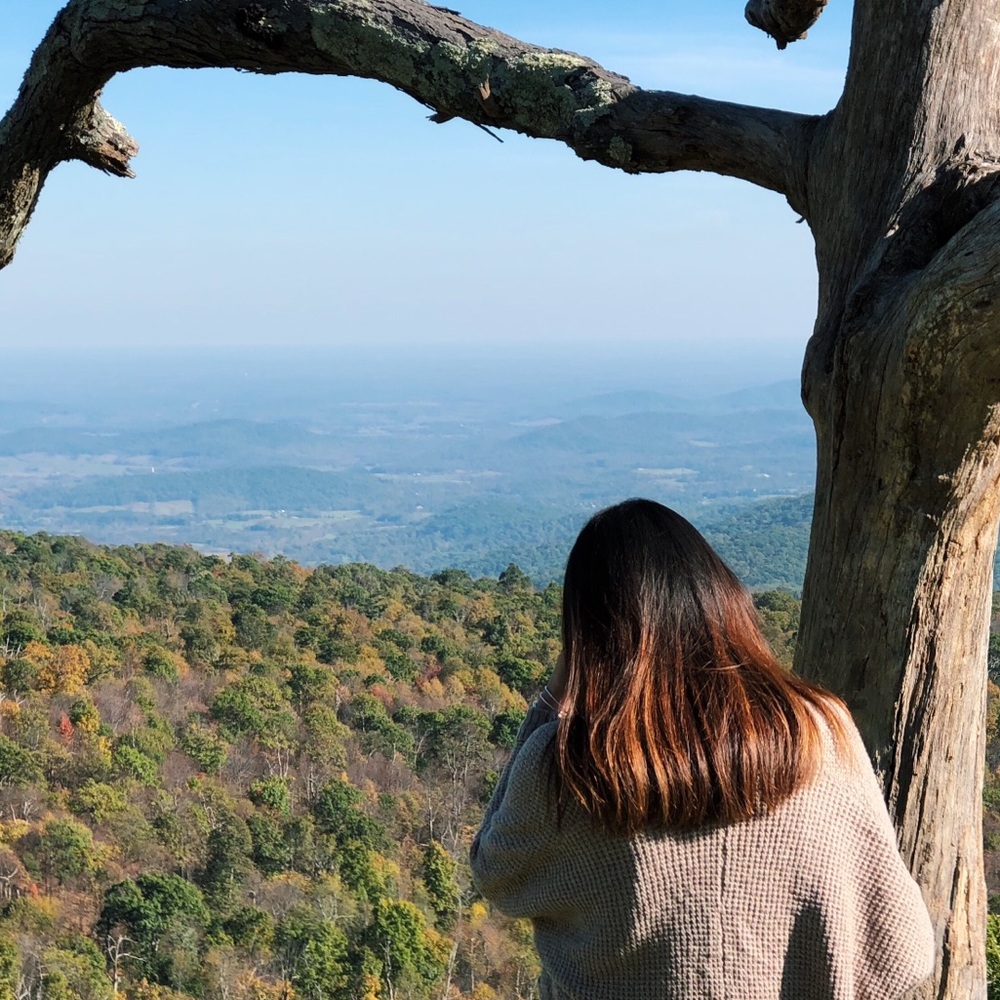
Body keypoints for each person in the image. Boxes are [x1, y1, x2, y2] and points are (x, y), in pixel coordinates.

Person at [470, 499, 935, 1000]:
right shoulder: (821, 730)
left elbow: (495, 872)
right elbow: (903, 948)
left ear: (591, 635)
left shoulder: (569, 767)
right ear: (723, 599)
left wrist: (551, 702)